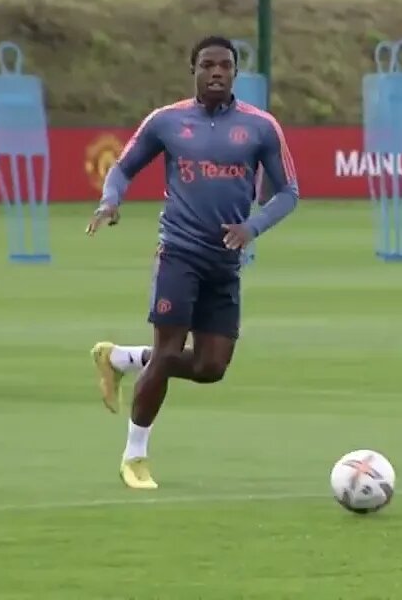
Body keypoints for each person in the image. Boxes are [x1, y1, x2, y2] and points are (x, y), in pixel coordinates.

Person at [85, 36, 299, 490]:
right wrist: (110, 201)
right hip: (178, 254)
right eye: (207, 65)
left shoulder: (260, 128)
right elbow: (122, 168)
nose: (216, 72)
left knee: (210, 368)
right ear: (193, 70)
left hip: (226, 263)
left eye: (225, 65)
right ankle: (134, 456)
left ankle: (121, 358)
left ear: (235, 74)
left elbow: (288, 193)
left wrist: (252, 228)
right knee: (166, 355)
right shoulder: (167, 121)